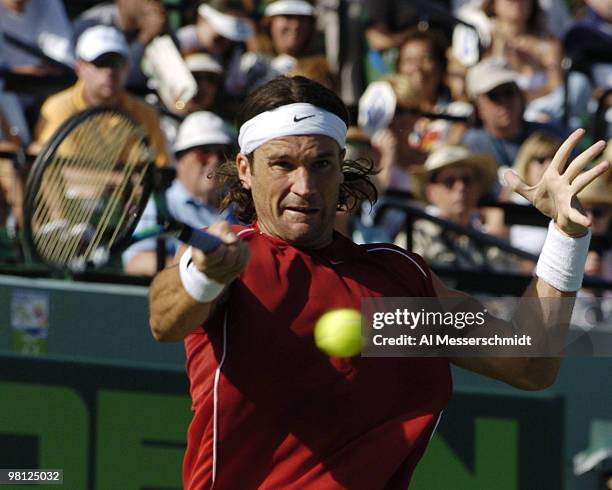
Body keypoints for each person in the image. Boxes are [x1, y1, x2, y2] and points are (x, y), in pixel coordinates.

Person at [148, 75, 609, 489]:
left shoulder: (396, 281)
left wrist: (565, 236)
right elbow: (164, 319)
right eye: (282, 164)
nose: (305, 186)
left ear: (341, 164)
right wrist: (203, 277)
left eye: (321, 164)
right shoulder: (234, 262)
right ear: (246, 170)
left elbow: (528, 362)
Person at [33, 25, 169, 168]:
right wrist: (124, 181)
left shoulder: (147, 113)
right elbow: (63, 173)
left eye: (117, 63)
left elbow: (161, 168)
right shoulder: (58, 108)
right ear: (80, 67)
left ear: (128, 67)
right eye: (101, 63)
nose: (110, 72)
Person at [123, 111, 236, 276]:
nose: (215, 161)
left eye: (222, 154)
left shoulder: (240, 203)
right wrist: (196, 268)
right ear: (180, 160)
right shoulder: (160, 202)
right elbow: (136, 261)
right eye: (203, 153)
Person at [405, 144, 517, 271]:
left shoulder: (491, 247)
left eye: (467, 180)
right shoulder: (417, 236)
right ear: (431, 192)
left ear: (478, 188)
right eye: (449, 181)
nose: (460, 187)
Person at [461, 57, 566, 169]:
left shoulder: (551, 135)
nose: (504, 102)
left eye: (508, 93)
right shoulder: (472, 145)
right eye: (494, 97)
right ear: (478, 108)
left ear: (520, 96)